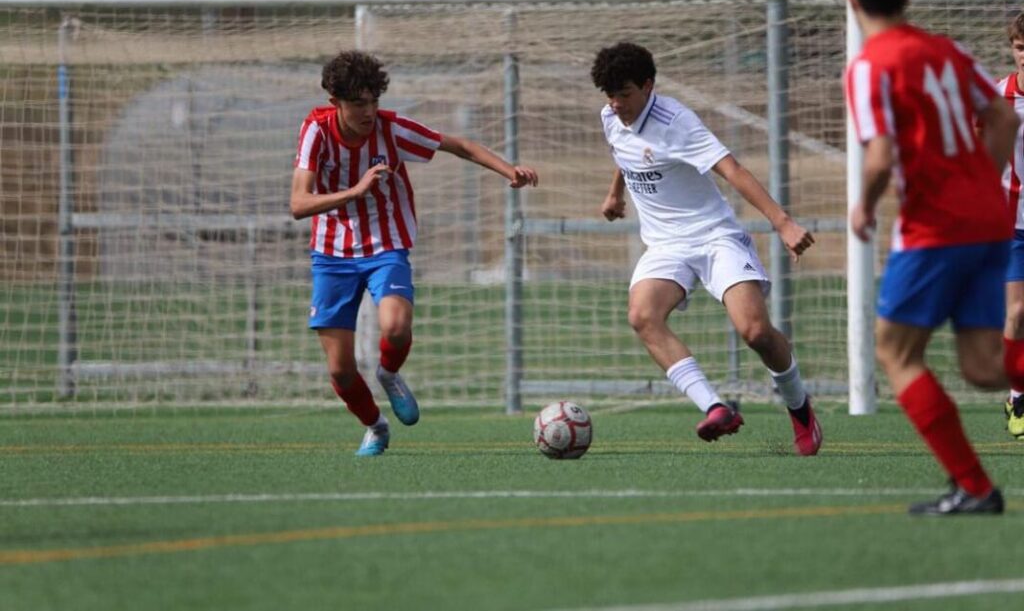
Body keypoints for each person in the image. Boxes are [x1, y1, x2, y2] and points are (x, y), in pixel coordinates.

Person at [843, 0, 1021, 514]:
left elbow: (879, 158)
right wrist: (979, 179)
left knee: (895, 352)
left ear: (851, 0)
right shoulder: (946, 49)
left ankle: (974, 487)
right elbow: (1004, 115)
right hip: (989, 218)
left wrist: (864, 206)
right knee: (985, 367)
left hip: (935, 228)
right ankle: (974, 489)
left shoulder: (870, 64)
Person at [290, 50, 538, 456]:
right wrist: (354, 192)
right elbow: (298, 204)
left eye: (374, 101)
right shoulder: (315, 130)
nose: (368, 111)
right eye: (357, 104)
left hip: (386, 243)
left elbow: (457, 145)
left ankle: (389, 373)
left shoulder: (391, 130)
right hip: (331, 254)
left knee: (396, 326)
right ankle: (375, 426)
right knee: (339, 368)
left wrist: (509, 170)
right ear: (335, 102)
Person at [590, 41, 822, 455]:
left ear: (648, 86)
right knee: (643, 316)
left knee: (754, 332)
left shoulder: (677, 121)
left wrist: (783, 223)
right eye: (610, 96)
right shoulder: (611, 116)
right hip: (665, 245)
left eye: (624, 94)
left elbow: (731, 169)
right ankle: (717, 408)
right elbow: (624, 153)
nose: (616, 104)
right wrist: (615, 195)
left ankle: (800, 409)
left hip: (715, 237)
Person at [998, 11, 1024, 440]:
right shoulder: (997, 96)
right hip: (1011, 225)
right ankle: (1017, 395)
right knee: (1017, 312)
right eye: (1021, 47)